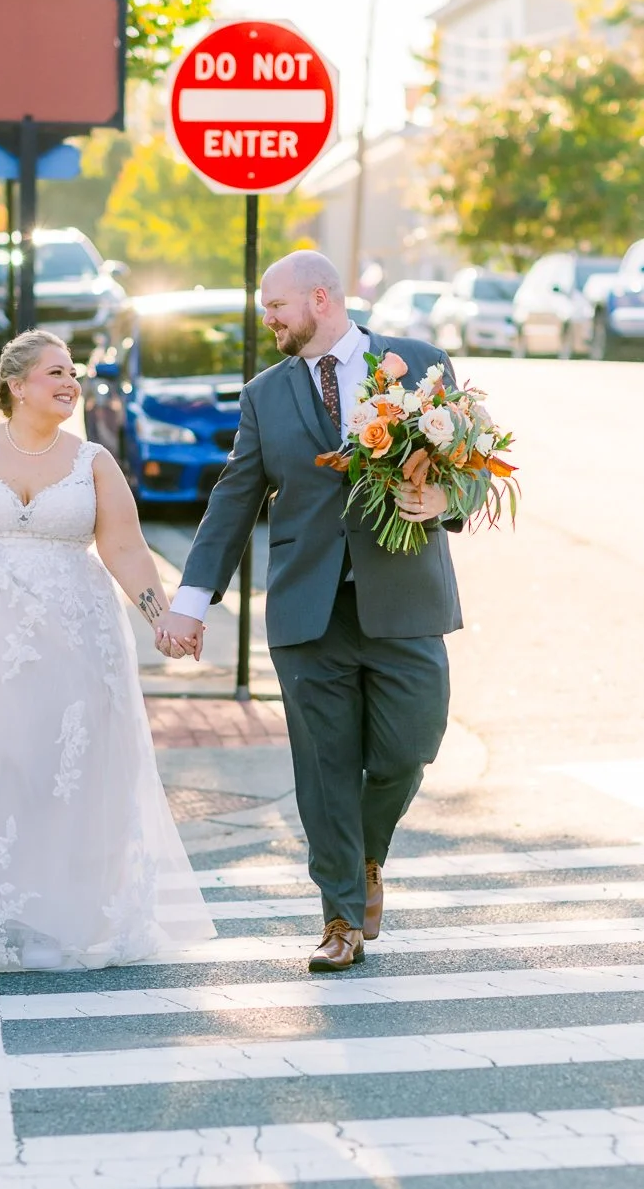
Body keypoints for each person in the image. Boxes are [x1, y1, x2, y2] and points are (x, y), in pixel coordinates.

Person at [0, 329, 215, 970]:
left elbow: (124, 548)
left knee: (63, 768)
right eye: (55, 372)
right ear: (16, 385)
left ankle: (60, 910)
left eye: (73, 373)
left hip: (75, 635)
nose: (69, 383)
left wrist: (161, 617)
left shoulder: (92, 462)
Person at [158, 251, 464, 972]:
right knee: (324, 767)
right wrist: (191, 601)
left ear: (320, 299)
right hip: (306, 609)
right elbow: (234, 498)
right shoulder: (265, 394)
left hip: (405, 600)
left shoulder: (420, 364)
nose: (266, 320)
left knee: (407, 748)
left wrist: (443, 501)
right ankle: (339, 917)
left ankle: (364, 855)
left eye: (275, 307)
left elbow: (471, 469)